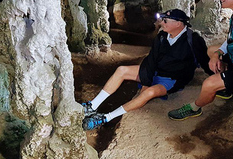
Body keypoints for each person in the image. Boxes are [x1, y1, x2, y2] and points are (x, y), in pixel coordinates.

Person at [82, 9, 212, 130]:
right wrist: (146, 80)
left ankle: (105, 117)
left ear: (178, 24)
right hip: (155, 71)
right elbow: (151, 59)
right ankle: (92, 105)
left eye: (166, 21)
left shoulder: (193, 40)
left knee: (149, 93)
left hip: (171, 79)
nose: (161, 23)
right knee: (122, 70)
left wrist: (214, 75)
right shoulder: (162, 36)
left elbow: (204, 60)